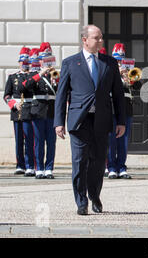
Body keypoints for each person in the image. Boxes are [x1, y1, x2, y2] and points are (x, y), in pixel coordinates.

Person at [54, 25, 126, 215]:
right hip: (80, 120)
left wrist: (121, 121)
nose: (100, 41)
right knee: (79, 161)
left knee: (98, 162)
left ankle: (94, 195)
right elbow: (61, 95)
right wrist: (59, 122)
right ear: (84, 40)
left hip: (102, 119)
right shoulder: (70, 63)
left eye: (101, 38)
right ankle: (81, 201)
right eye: (96, 38)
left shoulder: (109, 63)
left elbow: (118, 94)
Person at [20, 43, 58, 179]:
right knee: (39, 141)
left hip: (52, 112)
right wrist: (41, 73)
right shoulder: (35, 74)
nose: (46, 61)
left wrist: (55, 80)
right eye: (44, 59)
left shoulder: (55, 74)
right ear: (40, 60)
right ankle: (39, 168)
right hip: (38, 111)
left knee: (51, 142)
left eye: (49, 58)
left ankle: (49, 168)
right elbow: (24, 87)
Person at [107, 43, 141, 179]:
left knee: (123, 140)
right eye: (117, 59)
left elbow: (138, 86)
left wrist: (130, 78)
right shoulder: (109, 69)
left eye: (121, 59)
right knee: (111, 140)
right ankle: (111, 168)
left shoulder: (129, 71)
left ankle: (121, 167)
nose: (119, 62)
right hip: (111, 108)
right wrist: (117, 73)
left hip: (126, 109)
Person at [3, 47, 35, 177]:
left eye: (26, 62)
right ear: (19, 63)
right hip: (17, 110)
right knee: (18, 140)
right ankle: (20, 165)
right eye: (22, 62)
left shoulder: (33, 76)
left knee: (29, 139)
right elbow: (6, 95)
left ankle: (29, 165)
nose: (24, 64)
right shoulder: (12, 77)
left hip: (30, 109)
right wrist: (13, 104)